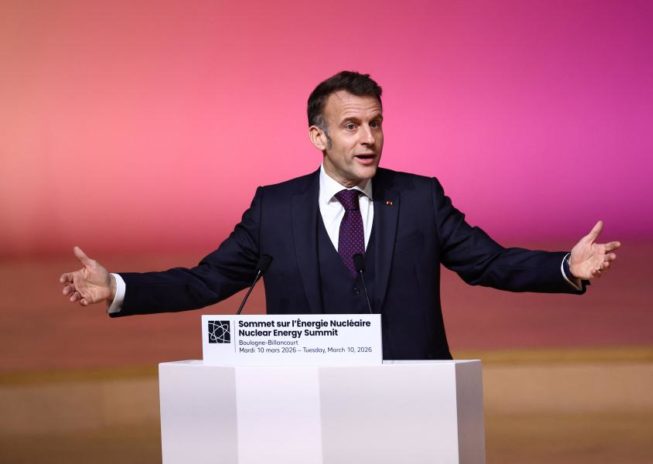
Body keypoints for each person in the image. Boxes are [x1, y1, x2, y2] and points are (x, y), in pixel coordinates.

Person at [60, 71, 620, 359]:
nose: (368, 138)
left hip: (413, 400)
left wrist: (564, 268)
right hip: (308, 402)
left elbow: (487, 263)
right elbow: (207, 280)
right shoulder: (274, 208)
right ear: (318, 136)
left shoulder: (421, 198)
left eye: (376, 123)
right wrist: (118, 287)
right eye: (351, 126)